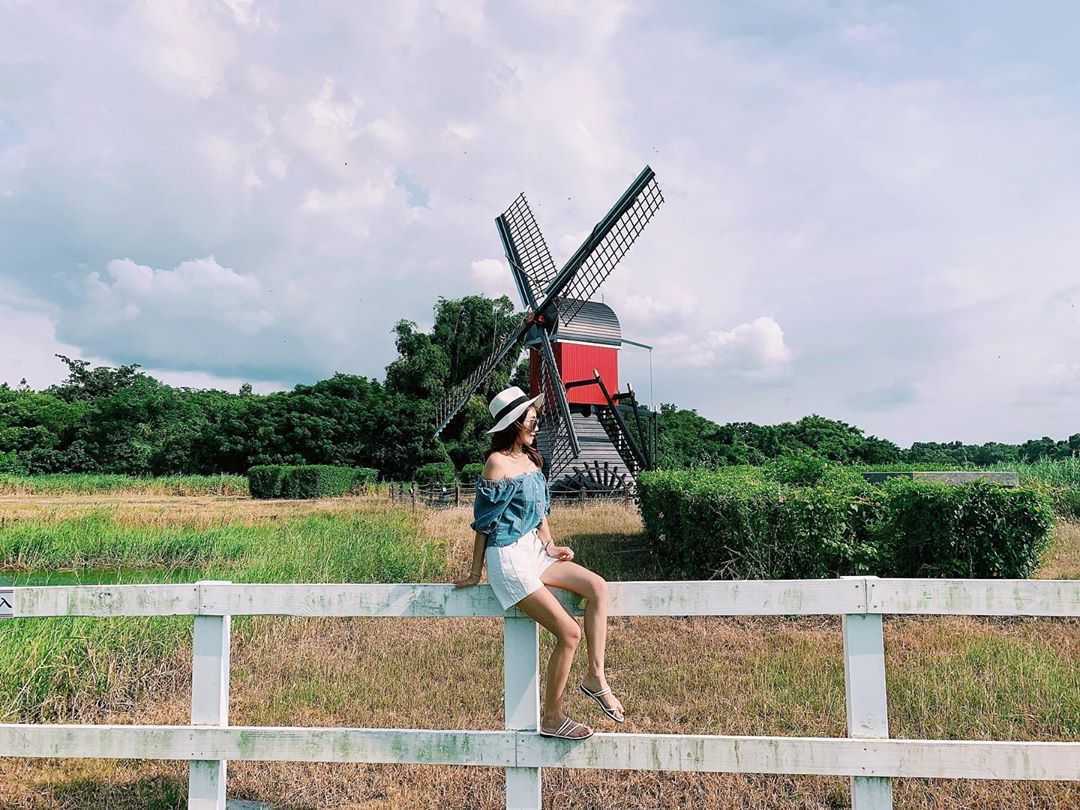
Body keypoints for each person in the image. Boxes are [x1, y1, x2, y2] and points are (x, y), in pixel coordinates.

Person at [453, 386, 625, 741]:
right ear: (514, 422)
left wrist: (551, 545)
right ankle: (552, 717)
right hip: (509, 559)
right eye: (530, 416)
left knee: (597, 587)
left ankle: (595, 676)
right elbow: (484, 523)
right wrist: (475, 571)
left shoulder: (533, 459)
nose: (536, 420)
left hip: (534, 550)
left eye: (534, 414)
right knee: (569, 632)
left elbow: (540, 512)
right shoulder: (496, 463)